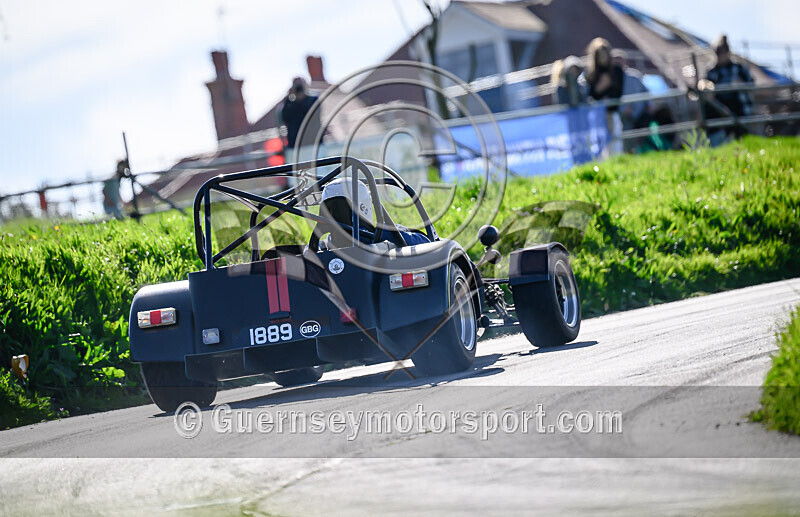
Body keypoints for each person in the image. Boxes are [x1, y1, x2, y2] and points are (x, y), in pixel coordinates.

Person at [317, 178, 430, 250]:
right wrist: (396, 230)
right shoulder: (379, 235)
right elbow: (426, 243)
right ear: (363, 206)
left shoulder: (322, 245)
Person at [700, 34, 754, 143]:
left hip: (739, 107)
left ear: (727, 52)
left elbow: (751, 84)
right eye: (717, 53)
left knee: (740, 135)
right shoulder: (712, 71)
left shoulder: (739, 68)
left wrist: (741, 84)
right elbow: (704, 86)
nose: (719, 56)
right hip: (719, 109)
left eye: (721, 53)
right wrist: (706, 88)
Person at [584, 38, 625, 155]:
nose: (603, 58)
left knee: (615, 145)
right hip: (598, 115)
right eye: (600, 55)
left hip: (612, 113)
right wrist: (600, 88)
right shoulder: (591, 74)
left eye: (605, 54)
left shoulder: (616, 70)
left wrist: (608, 98)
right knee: (600, 147)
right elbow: (590, 95)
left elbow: (619, 92)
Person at [280, 77, 319, 150]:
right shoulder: (290, 104)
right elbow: (284, 117)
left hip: (313, 143)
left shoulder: (313, 100)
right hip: (295, 145)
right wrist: (288, 98)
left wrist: (301, 98)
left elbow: (313, 115)